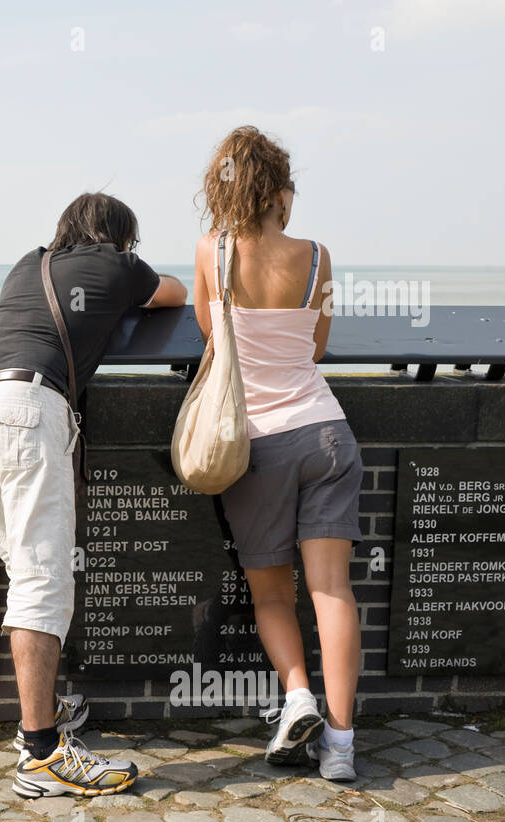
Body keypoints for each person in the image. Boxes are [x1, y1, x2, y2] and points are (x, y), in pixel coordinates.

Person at [0, 192, 187, 797]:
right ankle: (41, 753)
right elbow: (175, 293)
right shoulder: (119, 263)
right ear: (120, 237)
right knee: (41, 577)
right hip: (27, 406)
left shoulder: (28, 263)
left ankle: (44, 715)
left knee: (22, 568)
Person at [192, 126, 363, 781]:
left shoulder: (213, 249)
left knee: (272, 595)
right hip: (326, 431)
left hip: (256, 442)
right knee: (332, 591)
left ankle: (297, 697)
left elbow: (215, 337)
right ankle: (342, 749)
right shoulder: (318, 256)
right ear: (282, 192)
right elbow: (315, 347)